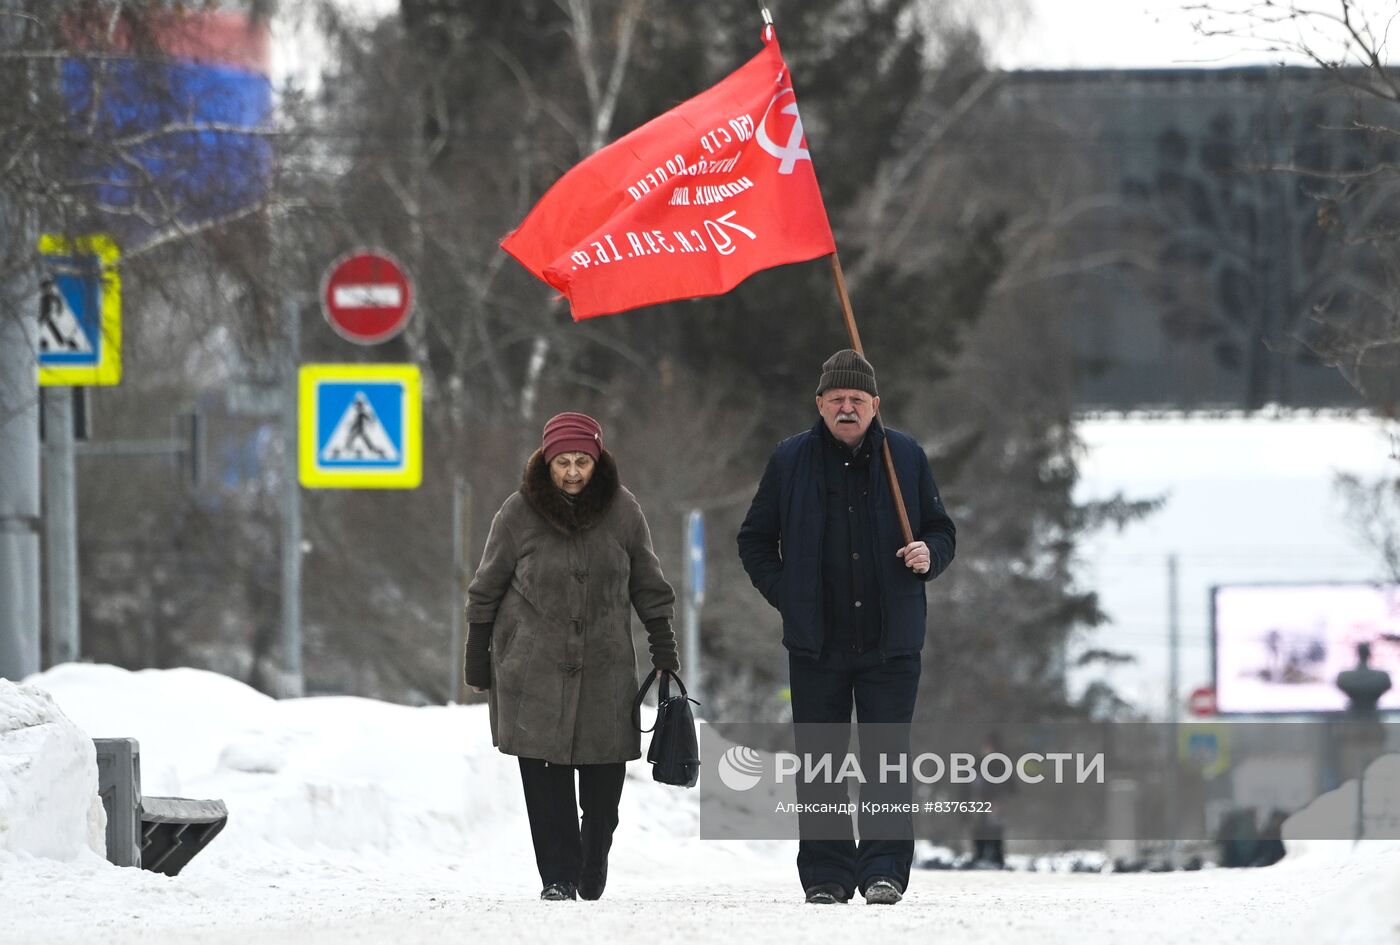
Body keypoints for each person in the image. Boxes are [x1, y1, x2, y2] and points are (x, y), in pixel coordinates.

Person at [737, 349, 956, 906]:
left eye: (857, 399)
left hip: (892, 640)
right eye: (836, 399)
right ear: (819, 404)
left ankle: (885, 870)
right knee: (821, 763)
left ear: (875, 405)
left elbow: (941, 529)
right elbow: (755, 540)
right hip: (817, 642)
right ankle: (826, 876)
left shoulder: (904, 456)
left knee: (886, 758)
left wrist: (929, 553)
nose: (846, 407)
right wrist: (788, 596)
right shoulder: (790, 460)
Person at [464, 411, 679, 902]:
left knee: (604, 783)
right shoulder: (517, 513)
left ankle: (593, 853)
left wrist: (663, 648)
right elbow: (485, 591)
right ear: (547, 461)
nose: (574, 472)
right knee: (545, 782)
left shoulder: (624, 511)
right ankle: (557, 876)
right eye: (563, 462)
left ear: (597, 460)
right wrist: (477, 662)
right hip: (532, 670)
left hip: (606, 667)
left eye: (583, 460)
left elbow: (649, 584)